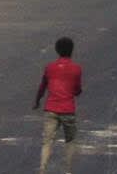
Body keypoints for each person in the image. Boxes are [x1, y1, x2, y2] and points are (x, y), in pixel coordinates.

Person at [33, 36, 83, 174]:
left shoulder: (50, 67)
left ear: (57, 50)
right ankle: (67, 170)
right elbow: (77, 90)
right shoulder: (76, 69)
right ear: (72, 51)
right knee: (70, 140)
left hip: (51, 108)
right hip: (68, 109)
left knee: (47, 141)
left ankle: (42, 168)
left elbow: (42, 86)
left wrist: (37, 101)